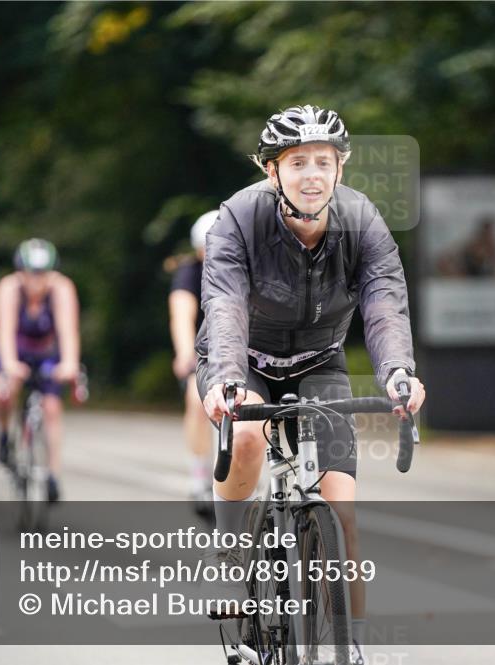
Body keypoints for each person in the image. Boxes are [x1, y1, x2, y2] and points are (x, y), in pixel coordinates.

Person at [196, 105, 426, 660]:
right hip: (244, 357)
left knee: (342, 516)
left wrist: (398, 372)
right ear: (271, 170)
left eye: (324, 161)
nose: (312, 174)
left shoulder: (362, 219)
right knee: (248, 437)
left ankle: (353, 648)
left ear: (340, 169)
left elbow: (384, 301)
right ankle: (230, 558)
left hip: (320, 361)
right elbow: (224, 302)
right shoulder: (238, 217)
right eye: (297, 162)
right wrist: (226, 379)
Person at [0, 239, 80, 503]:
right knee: (3, 388)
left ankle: (52, 475)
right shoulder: (9, 289)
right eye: (31, 274)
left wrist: (70, 363)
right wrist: (10, 366)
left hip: (45, 350)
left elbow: (68, 332)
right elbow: (4, 333)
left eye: (43, 274)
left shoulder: (62, 289)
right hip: (12, 347)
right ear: (20, 272)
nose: (37, 281)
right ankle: (4, 433)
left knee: (51, 407)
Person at [169, 210, 219, 517]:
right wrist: (185, 355)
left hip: (244, 347)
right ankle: (200, 474)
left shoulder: (247, 266)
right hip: (204, 350)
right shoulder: (189, 273)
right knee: (195, 398)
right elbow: (181, 315)